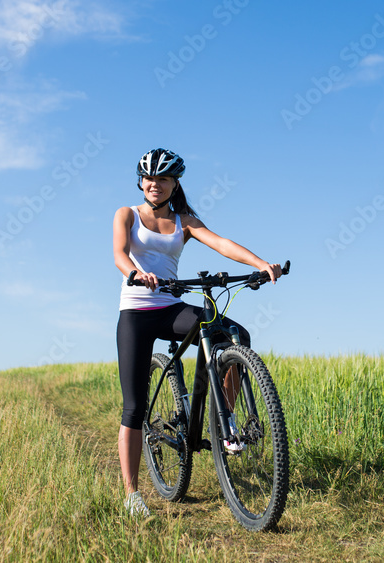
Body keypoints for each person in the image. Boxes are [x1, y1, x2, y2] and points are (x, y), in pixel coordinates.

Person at [113, 148, 282, 517]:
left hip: (171, 307)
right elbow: (120, 254)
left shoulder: (183, 221)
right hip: (137, 313)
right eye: (149, 178)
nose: (154, 184)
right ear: (141, 181)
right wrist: (136, 273)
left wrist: (260, 264)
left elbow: (220, 242)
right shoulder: (127, 214)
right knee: (134, 406)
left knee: (234, 334)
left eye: (163, 179)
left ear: (175, 184)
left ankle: (226, 423)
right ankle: (132, 495)